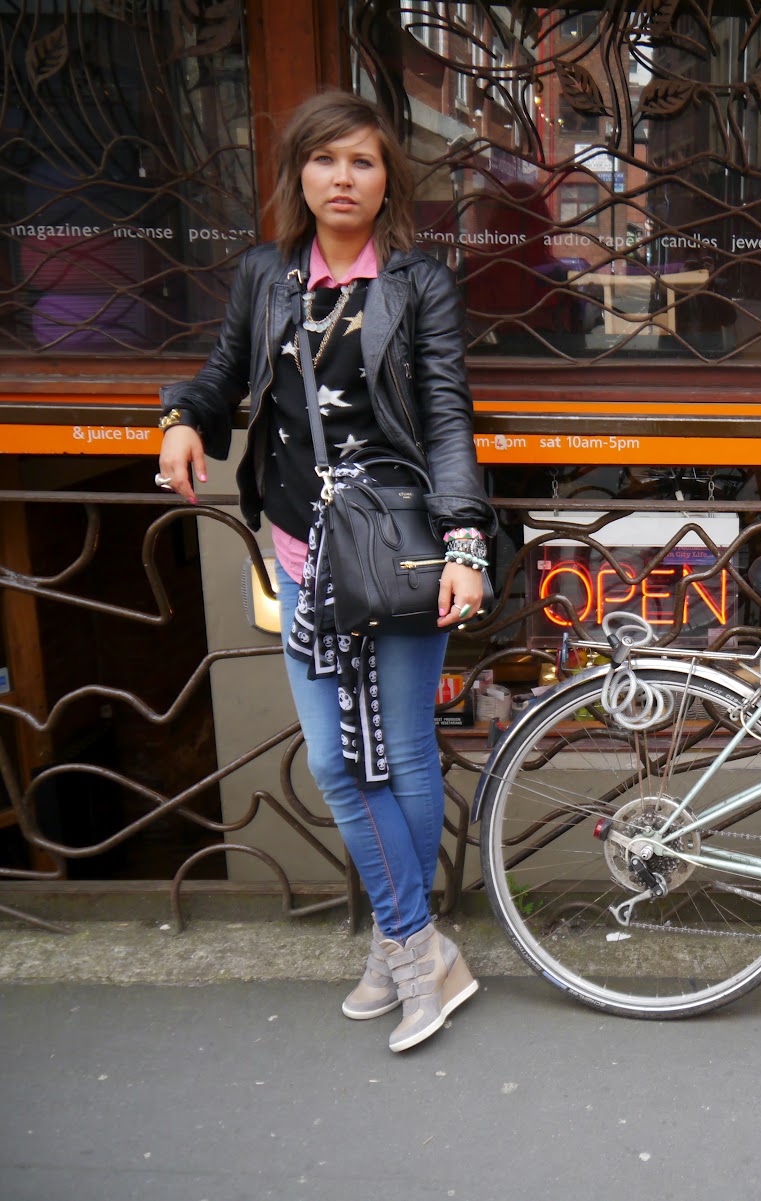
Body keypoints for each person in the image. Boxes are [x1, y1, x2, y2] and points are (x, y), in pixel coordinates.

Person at [154, 92, 495, 1053]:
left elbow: (446, 414)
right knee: (337, 760)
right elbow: (224, 375)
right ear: (297, 173)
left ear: (388, 181)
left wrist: (465, 544)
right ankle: (418, 944)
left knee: (404, 753)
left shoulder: (418, 285)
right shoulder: (266, 275)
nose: (342, 178)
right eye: (324, 160)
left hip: (398, 554)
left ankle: (404, 948)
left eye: (363, 161)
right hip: (304, 555)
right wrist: (181, 417)